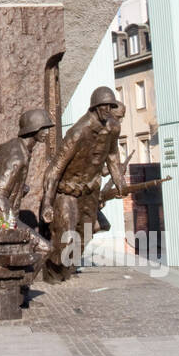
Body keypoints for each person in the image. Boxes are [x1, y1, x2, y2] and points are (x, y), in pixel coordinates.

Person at [40, 86, 126, 278]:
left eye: (110, 106)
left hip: (90, 191)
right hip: (68, 192)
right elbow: (54, 169)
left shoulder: (113, 127)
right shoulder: (79, 132)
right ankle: (53, 273)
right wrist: (47, 202)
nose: (107, 111)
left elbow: (112, 156)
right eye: (103, 106)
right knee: (65, 237)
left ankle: (67, 269)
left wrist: (119, 181)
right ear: (95, 107)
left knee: (86, 233)